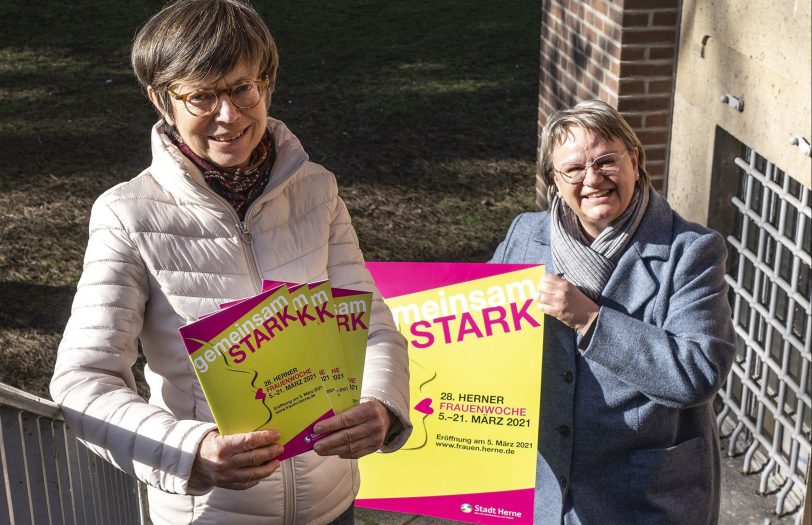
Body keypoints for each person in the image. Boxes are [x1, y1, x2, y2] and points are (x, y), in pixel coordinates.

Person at [49, 1, 411, 523]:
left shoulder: (317, 190)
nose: (229, 116)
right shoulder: (127, 213)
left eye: (244, 89)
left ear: (266, 84)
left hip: (332, 505)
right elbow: (84, 378)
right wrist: (189, 450)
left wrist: (381, 405)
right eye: (201, 96)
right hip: (210, 512)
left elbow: (372, 326)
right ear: (160, 99)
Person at [490, 100, 736, 524]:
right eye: (573, 170)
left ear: (634, 161)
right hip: (543, 493)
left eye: (607, 161)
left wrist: (591, 320)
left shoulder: (690, 251)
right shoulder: (525, 236)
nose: (592, 179)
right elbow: (475, 337)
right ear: (554, 179)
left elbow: (699, 373)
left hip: (643, 496)